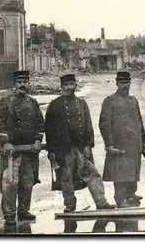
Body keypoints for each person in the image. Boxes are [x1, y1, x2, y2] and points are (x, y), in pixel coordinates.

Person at [44, 74, 116, 212]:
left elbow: (88, 125)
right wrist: (52, 150)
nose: (68, 88)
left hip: (81, 147)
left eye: (71, 84)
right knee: (66, 178)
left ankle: (101, 202)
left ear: (75, 85)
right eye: (65, 85)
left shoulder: (82, 103)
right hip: (63, 149)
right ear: (61, 87)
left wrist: (89, 145)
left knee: (92, 174)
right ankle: (69, 205)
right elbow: (49, 129)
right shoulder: (54, 105)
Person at [0, 70, 44, 226]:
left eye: (25, 82)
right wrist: (5, 143)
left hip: (29, 151)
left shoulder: (33, 102)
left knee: (27, 182)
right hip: (11, 152)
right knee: (10, 183)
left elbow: (40, 124)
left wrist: (37, 141)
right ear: (14, 84)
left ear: (28, 83)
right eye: (19, 82)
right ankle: (9, 214)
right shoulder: (5, 101)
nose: (22, 85)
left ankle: (23, 211)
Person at [99, 71, 145, 208]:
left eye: (127, 83)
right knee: (120, 172)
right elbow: (104, 124)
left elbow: (139, 121)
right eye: (121, 83)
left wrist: (143, 142)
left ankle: (131, 193)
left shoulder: (133, 100)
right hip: (119, 143)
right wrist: (109, 144)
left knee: (133, 169)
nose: (124, 86)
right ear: (117, 84)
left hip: (134, 143)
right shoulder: (110, 101)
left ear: (130, 83)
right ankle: (120, 199)